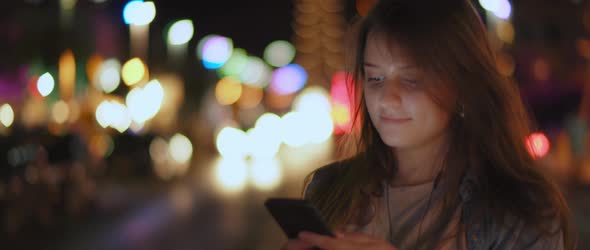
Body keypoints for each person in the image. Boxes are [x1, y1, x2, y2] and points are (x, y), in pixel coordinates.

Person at [284, 0, 576, 249]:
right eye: (375, 78)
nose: (387, 98)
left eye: (411, 79)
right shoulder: (330, 189)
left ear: (463, 84)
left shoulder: (518, 209)